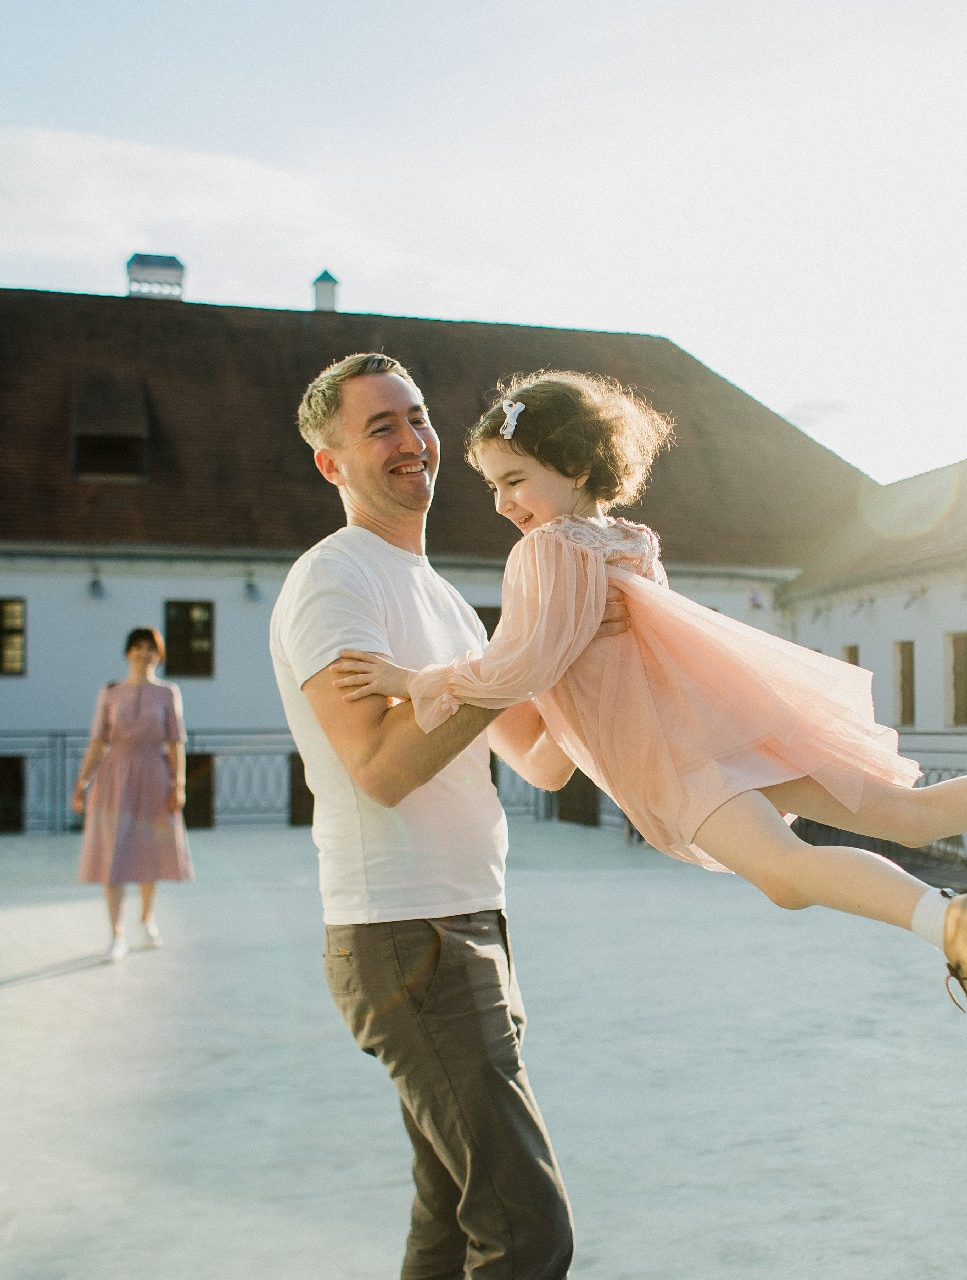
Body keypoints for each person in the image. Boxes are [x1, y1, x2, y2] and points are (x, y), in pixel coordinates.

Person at [333, 370, 967, 1086]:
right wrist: (535, 696)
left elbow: (519, 666)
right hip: (724, 726)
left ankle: (961, 924)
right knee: (913, 811)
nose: (501, 504)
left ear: (570, 466)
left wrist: (423, 680)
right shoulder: (625, 540)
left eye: (513, 480)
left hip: (679, 756)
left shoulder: (546, 551)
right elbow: (560, 712)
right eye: (493, 485)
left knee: (787, 873)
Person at [271, 354, 615, 1279]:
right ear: (332, 463)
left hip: (471, 921)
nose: (412, 440)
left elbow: (540, 760)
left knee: (454, 1220)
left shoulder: (447, 603)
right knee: (527, 1231)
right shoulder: (332, 581)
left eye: (416, 418)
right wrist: (505, 669)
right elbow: (380, 768)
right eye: (379, 425)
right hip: (403, 931)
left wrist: (601, 658)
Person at [72, 626, 193, 963]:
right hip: (114, 777)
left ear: (159, 655)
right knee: (113, 852)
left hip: (154, 774)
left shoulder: (168, 693)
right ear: (128, 652)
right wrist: (82, 782)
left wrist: (179, 784)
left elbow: (176, 741)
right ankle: (116, 933)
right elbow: (99, 741)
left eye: (150, 649)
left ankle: (146, 918)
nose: (144, 654)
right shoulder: (110, 693)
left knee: (148, 850)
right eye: (138, 647)